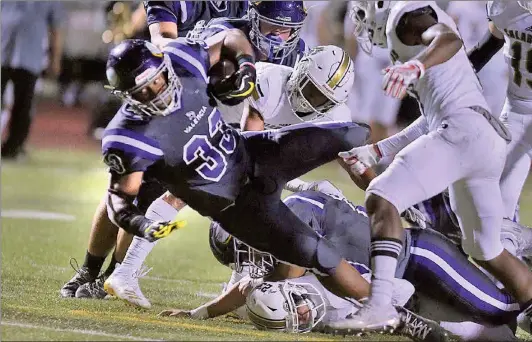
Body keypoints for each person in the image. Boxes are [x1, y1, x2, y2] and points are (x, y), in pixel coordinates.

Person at [102, 44, 363, 309]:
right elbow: (250, 150)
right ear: (300, 72)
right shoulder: (270, 81)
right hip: (213, 125)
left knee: (249, 208)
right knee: (205, 195)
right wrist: (303, 186)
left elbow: (350, 162)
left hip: (236, 148)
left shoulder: (337, 117)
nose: (310, 100)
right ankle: (125, 272)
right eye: (310, 89)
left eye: (321, 99)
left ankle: (132, 273)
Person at [329, 0, 532, 335]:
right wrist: (377, 149)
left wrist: (417, 67)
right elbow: (434, 114)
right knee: (487, 245)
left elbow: (446, 40)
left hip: (466, 134)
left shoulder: (407, 16)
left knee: (382, 196)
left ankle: (379, 306)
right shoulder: (429, 27)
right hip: (487, 130)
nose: (363, 22)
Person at [60, 0, 248, 300]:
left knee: (152, 193)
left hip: (206, 96)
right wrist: (199, 63)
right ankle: (89, 269)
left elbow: (248, 39)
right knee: (125, 188)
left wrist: (238, 66)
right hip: (160, 87)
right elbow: (164, 42)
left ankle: (113, 274)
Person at [161, 187, 523, 341]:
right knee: (501, 336)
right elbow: (252, 284)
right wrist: (197, 315)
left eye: (247, 251)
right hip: (398, 286)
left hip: (418, 258)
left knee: (506, 308)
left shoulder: (296, 213)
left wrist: (258, 289)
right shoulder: (275, 226)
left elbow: (283, 275)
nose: (252, 263)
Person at [467, 1, 532, 224]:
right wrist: (450, 74)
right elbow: (487, 46)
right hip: (518, 113)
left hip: (519, 112)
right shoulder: (504, 6)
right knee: (495, 213)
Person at [1, 1, 65, 160]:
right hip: (3, 52)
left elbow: (56, 27)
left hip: (29, 55)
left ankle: (14, 147)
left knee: (23, 105)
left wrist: (55, 58)